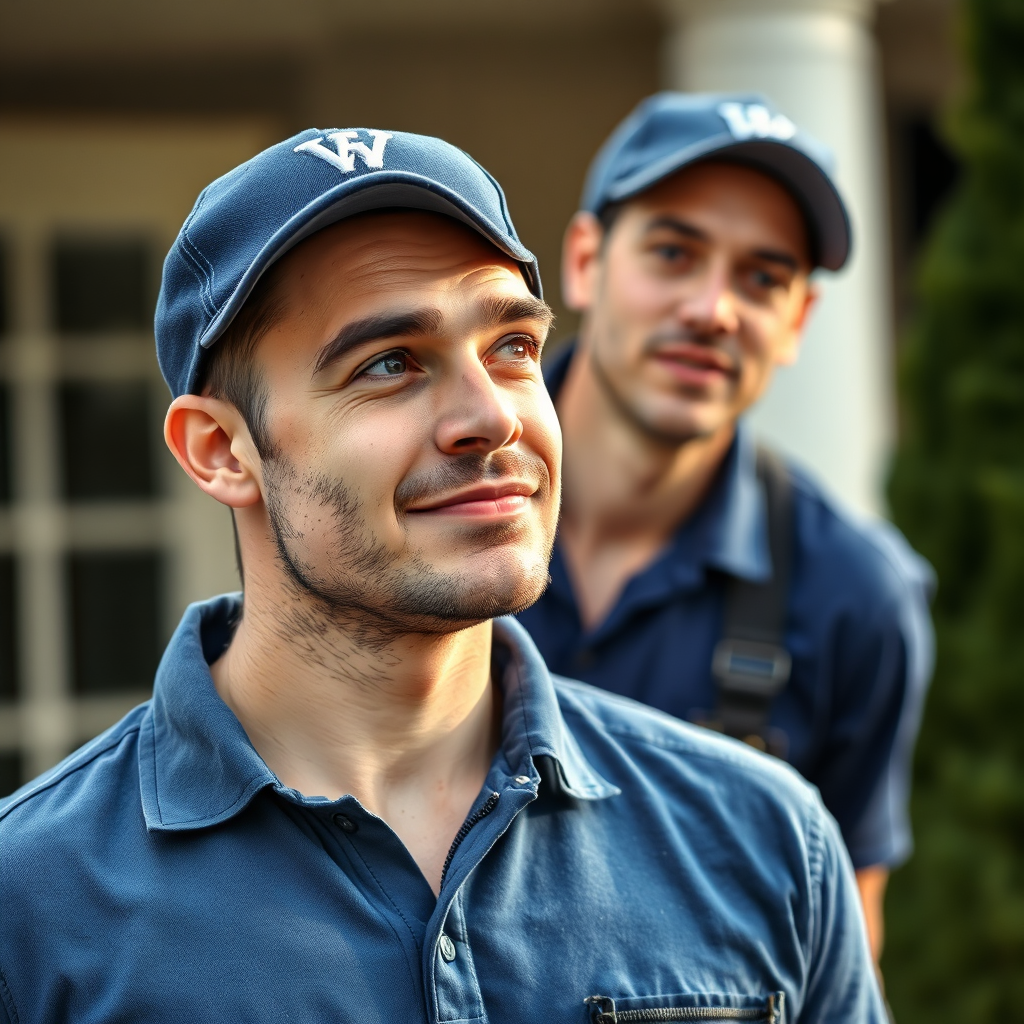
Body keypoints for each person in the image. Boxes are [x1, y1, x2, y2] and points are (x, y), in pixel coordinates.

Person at [0, 127, 886, 1022]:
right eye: (390, 364)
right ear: (223, 451)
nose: (491, 417)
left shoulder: (767, 842)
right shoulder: (28, 908)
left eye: (513, 348)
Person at [517, 92, 935, 962]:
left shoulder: (856, 597)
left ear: (798, 324)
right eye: (674, 252)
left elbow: (840, 945)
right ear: (586, 261)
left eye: (763, 277)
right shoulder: (428, 512)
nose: (714, 309)